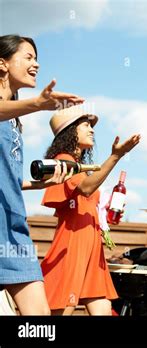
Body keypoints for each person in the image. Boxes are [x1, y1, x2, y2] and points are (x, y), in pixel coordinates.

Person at [0, 34, 83, 315]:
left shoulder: (14, 121)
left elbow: (7, 179)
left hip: (13, 231)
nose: (36, 64)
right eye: (28, 57)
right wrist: (39, 103)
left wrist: (40, 184)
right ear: (2, 64)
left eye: (37, 58)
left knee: (39, 321)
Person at [40, 105, 141, 315]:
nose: (92, 129)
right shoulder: (63, 161)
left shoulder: (79, 166)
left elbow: (87, 197)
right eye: (86, 124)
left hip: (92, 245)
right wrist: (117, 155)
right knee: (60, 310)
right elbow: (86, 188)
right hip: (73, 244)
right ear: (70, 132)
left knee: (102, 308)